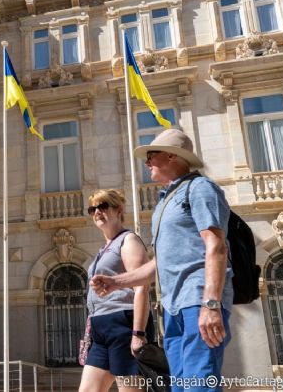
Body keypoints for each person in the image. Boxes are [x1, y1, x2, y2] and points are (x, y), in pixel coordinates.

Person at [91, 129, 233, 392]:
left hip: (197, 301)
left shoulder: (200, 188)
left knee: (198, 384)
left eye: (151, 156)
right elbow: (160, 263)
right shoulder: (165, 203)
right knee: (179, 387)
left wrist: (211, 304)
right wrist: (116, 281)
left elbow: (216, 246)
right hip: (172, 308)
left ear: (171, 157)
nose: (147, 163)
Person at [79, 189, 153, 392]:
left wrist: (138, 333)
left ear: (119, 210)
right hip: (100, 328)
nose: (97, 212)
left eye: (103, 206)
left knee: (129, 390)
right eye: (92, 209)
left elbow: (142, 286)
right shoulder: (104, 248)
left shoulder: (128, 240)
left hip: (124, 325)